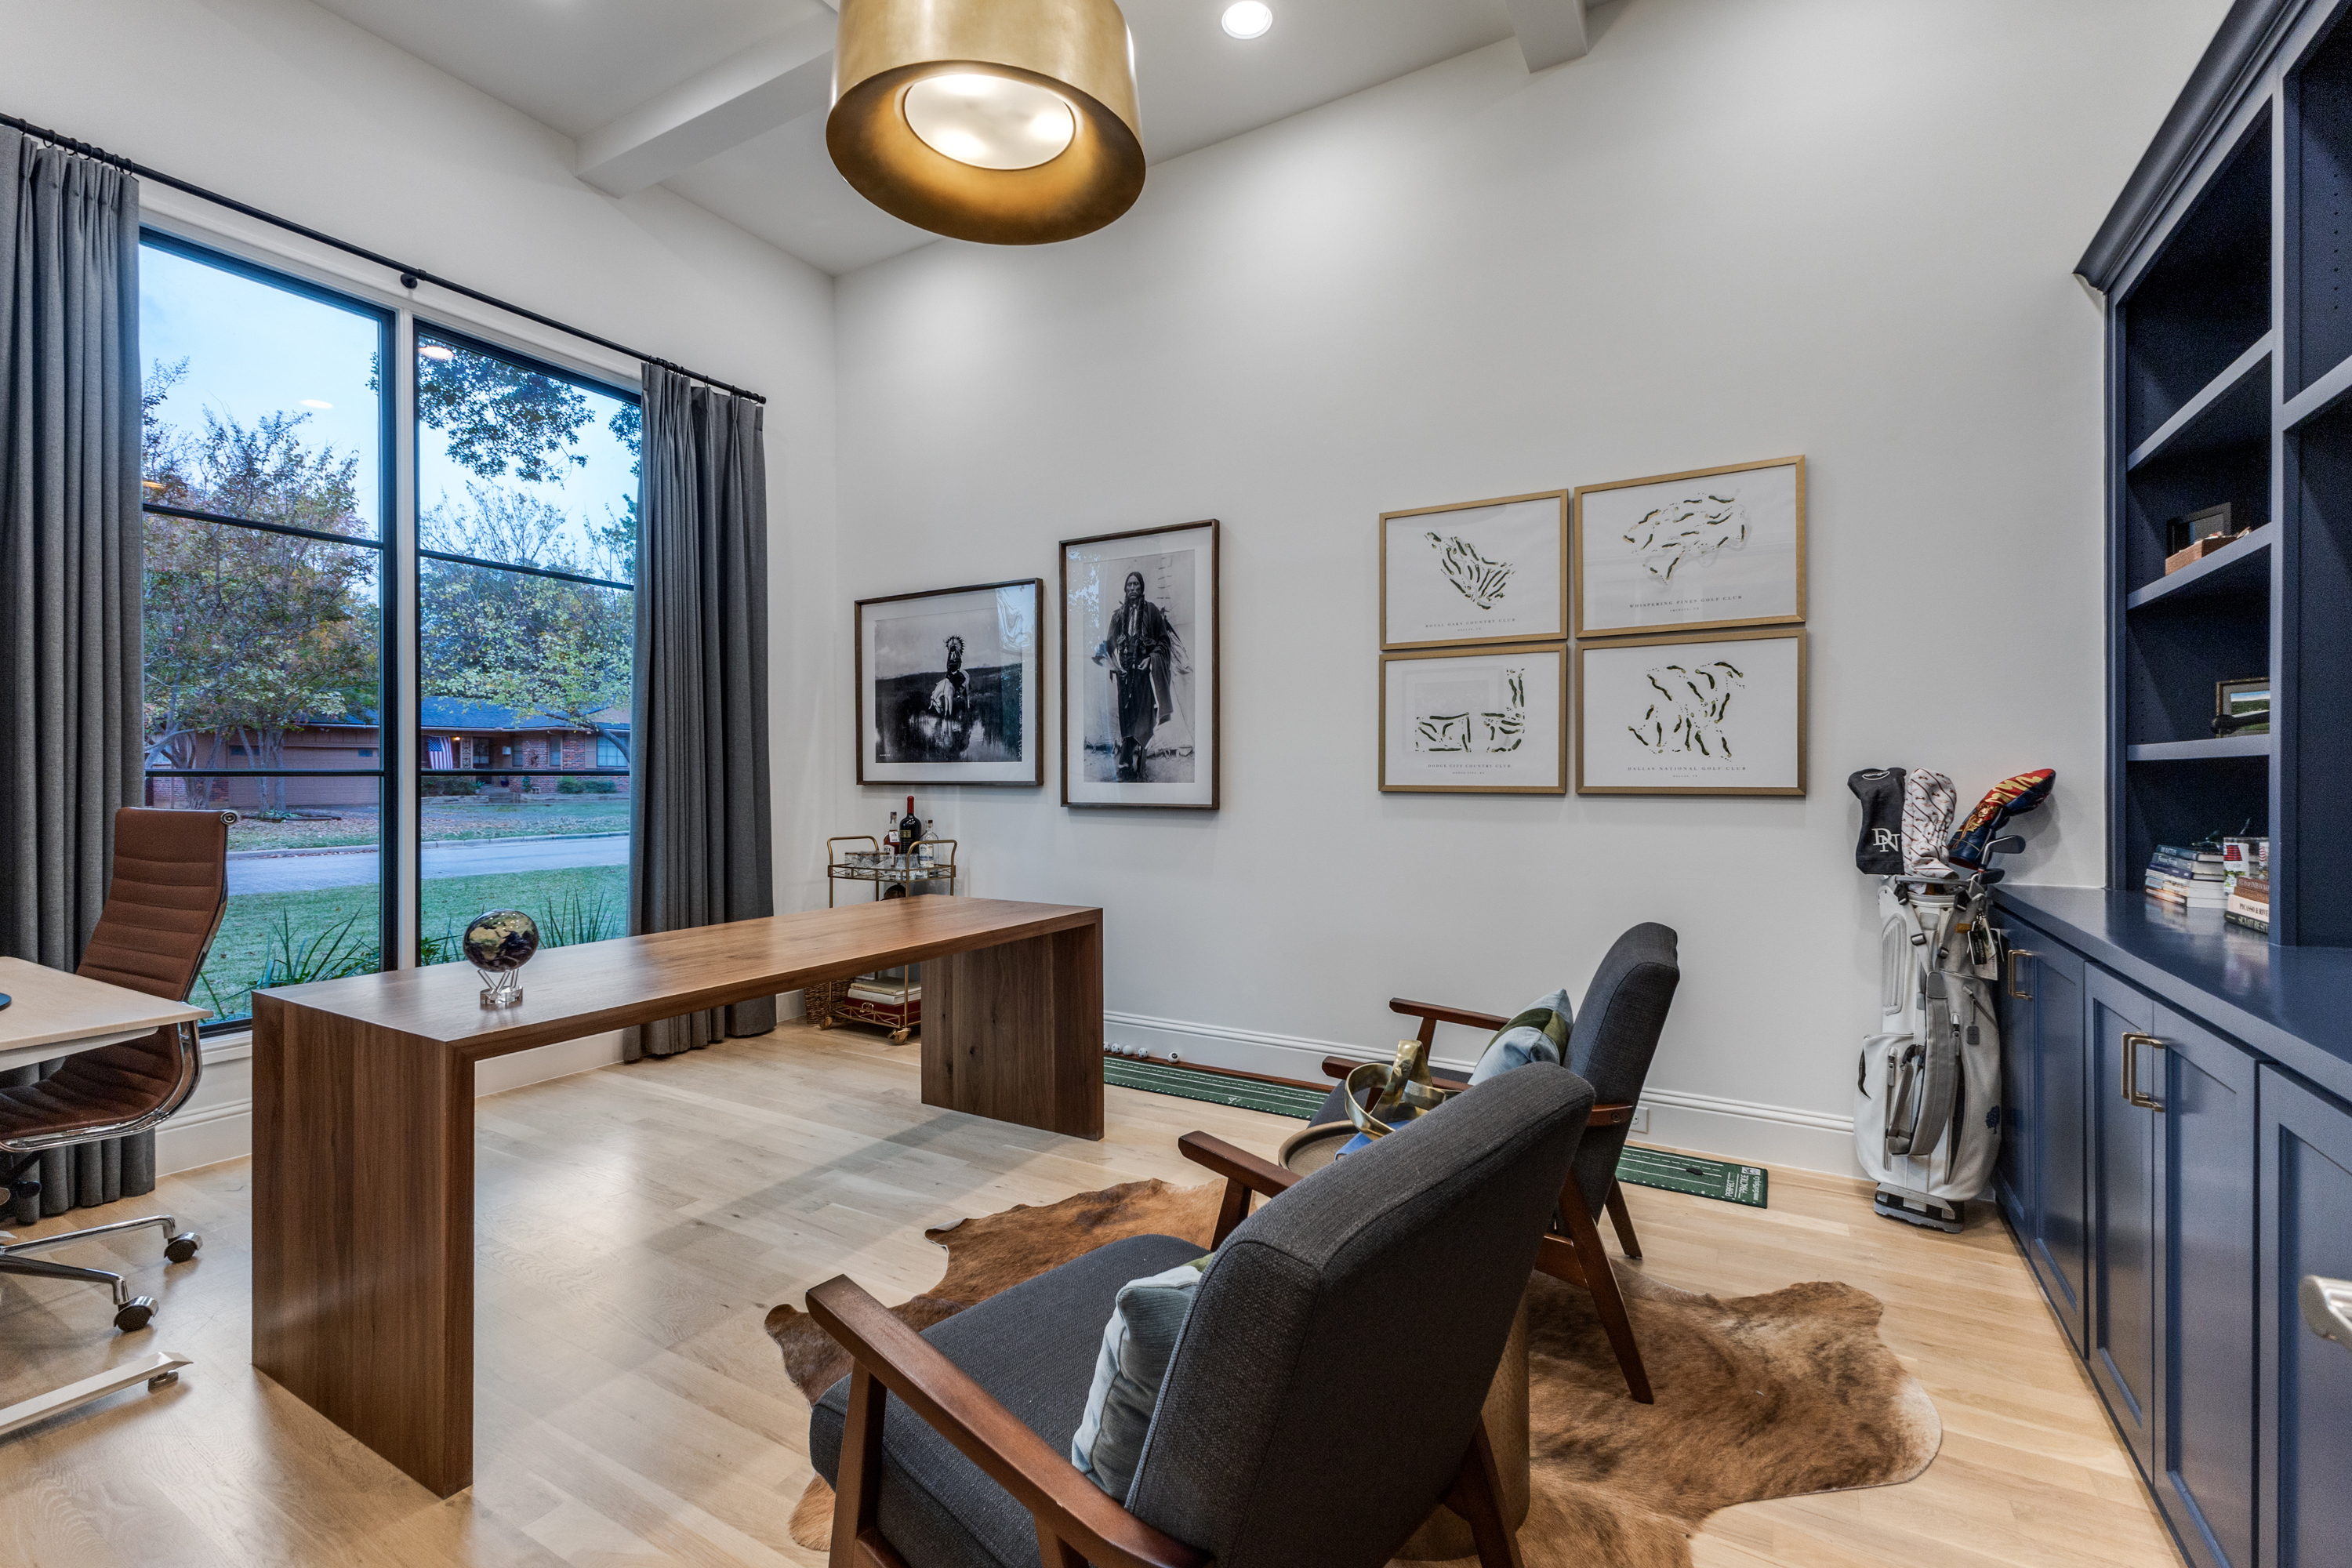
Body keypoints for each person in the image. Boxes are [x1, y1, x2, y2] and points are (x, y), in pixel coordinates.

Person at [1092, 571, 1174, 781]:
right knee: (1127, 720)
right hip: (1124, 675)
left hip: (1143, 675)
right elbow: (1108, 645)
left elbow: (1164, 642)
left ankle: (1141, 765)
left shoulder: (1152, 611)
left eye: (1136, 585)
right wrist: (1113, 663)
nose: (1132, 589)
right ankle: (1126, 762)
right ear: (1125, 589)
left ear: (1142, 588)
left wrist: (1151, 660)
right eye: (1129, 585)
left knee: (1143, 719)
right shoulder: (1118, 616)